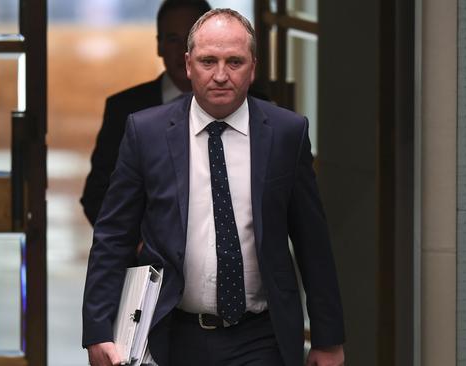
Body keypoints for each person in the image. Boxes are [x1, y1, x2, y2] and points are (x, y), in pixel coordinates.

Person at [82, 8, 345, 366]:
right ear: (189, 65)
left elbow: (312, 240)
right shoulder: (147, 133)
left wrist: (327, 339)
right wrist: (98, 329)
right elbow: (113, 235)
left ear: (253, 67)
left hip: (260, 336)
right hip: (172, 332)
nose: (221, 75)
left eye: (234, 62)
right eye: (208, 61)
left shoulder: (286, 133)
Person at [80, 0, 212, 226]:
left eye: (193, 39)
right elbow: (97, 195)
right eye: (173, 39)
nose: (184, 50)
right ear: (159, 46)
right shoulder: (124, 109)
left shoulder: (252, 105)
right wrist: (137, 247)